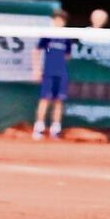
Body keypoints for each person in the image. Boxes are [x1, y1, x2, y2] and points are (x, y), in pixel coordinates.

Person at [31, 10, 72, 141]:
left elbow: (67, 56)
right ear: (53, 21)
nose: (59, 22)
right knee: (45, 99)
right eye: (56, 20)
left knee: (59, 101)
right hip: (48, 72)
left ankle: (55, 130)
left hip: (61, 73)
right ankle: (39, 129)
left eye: (61, 20)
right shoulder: (48, 35)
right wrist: (37, 69)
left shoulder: (67, 37)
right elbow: (36, 51)